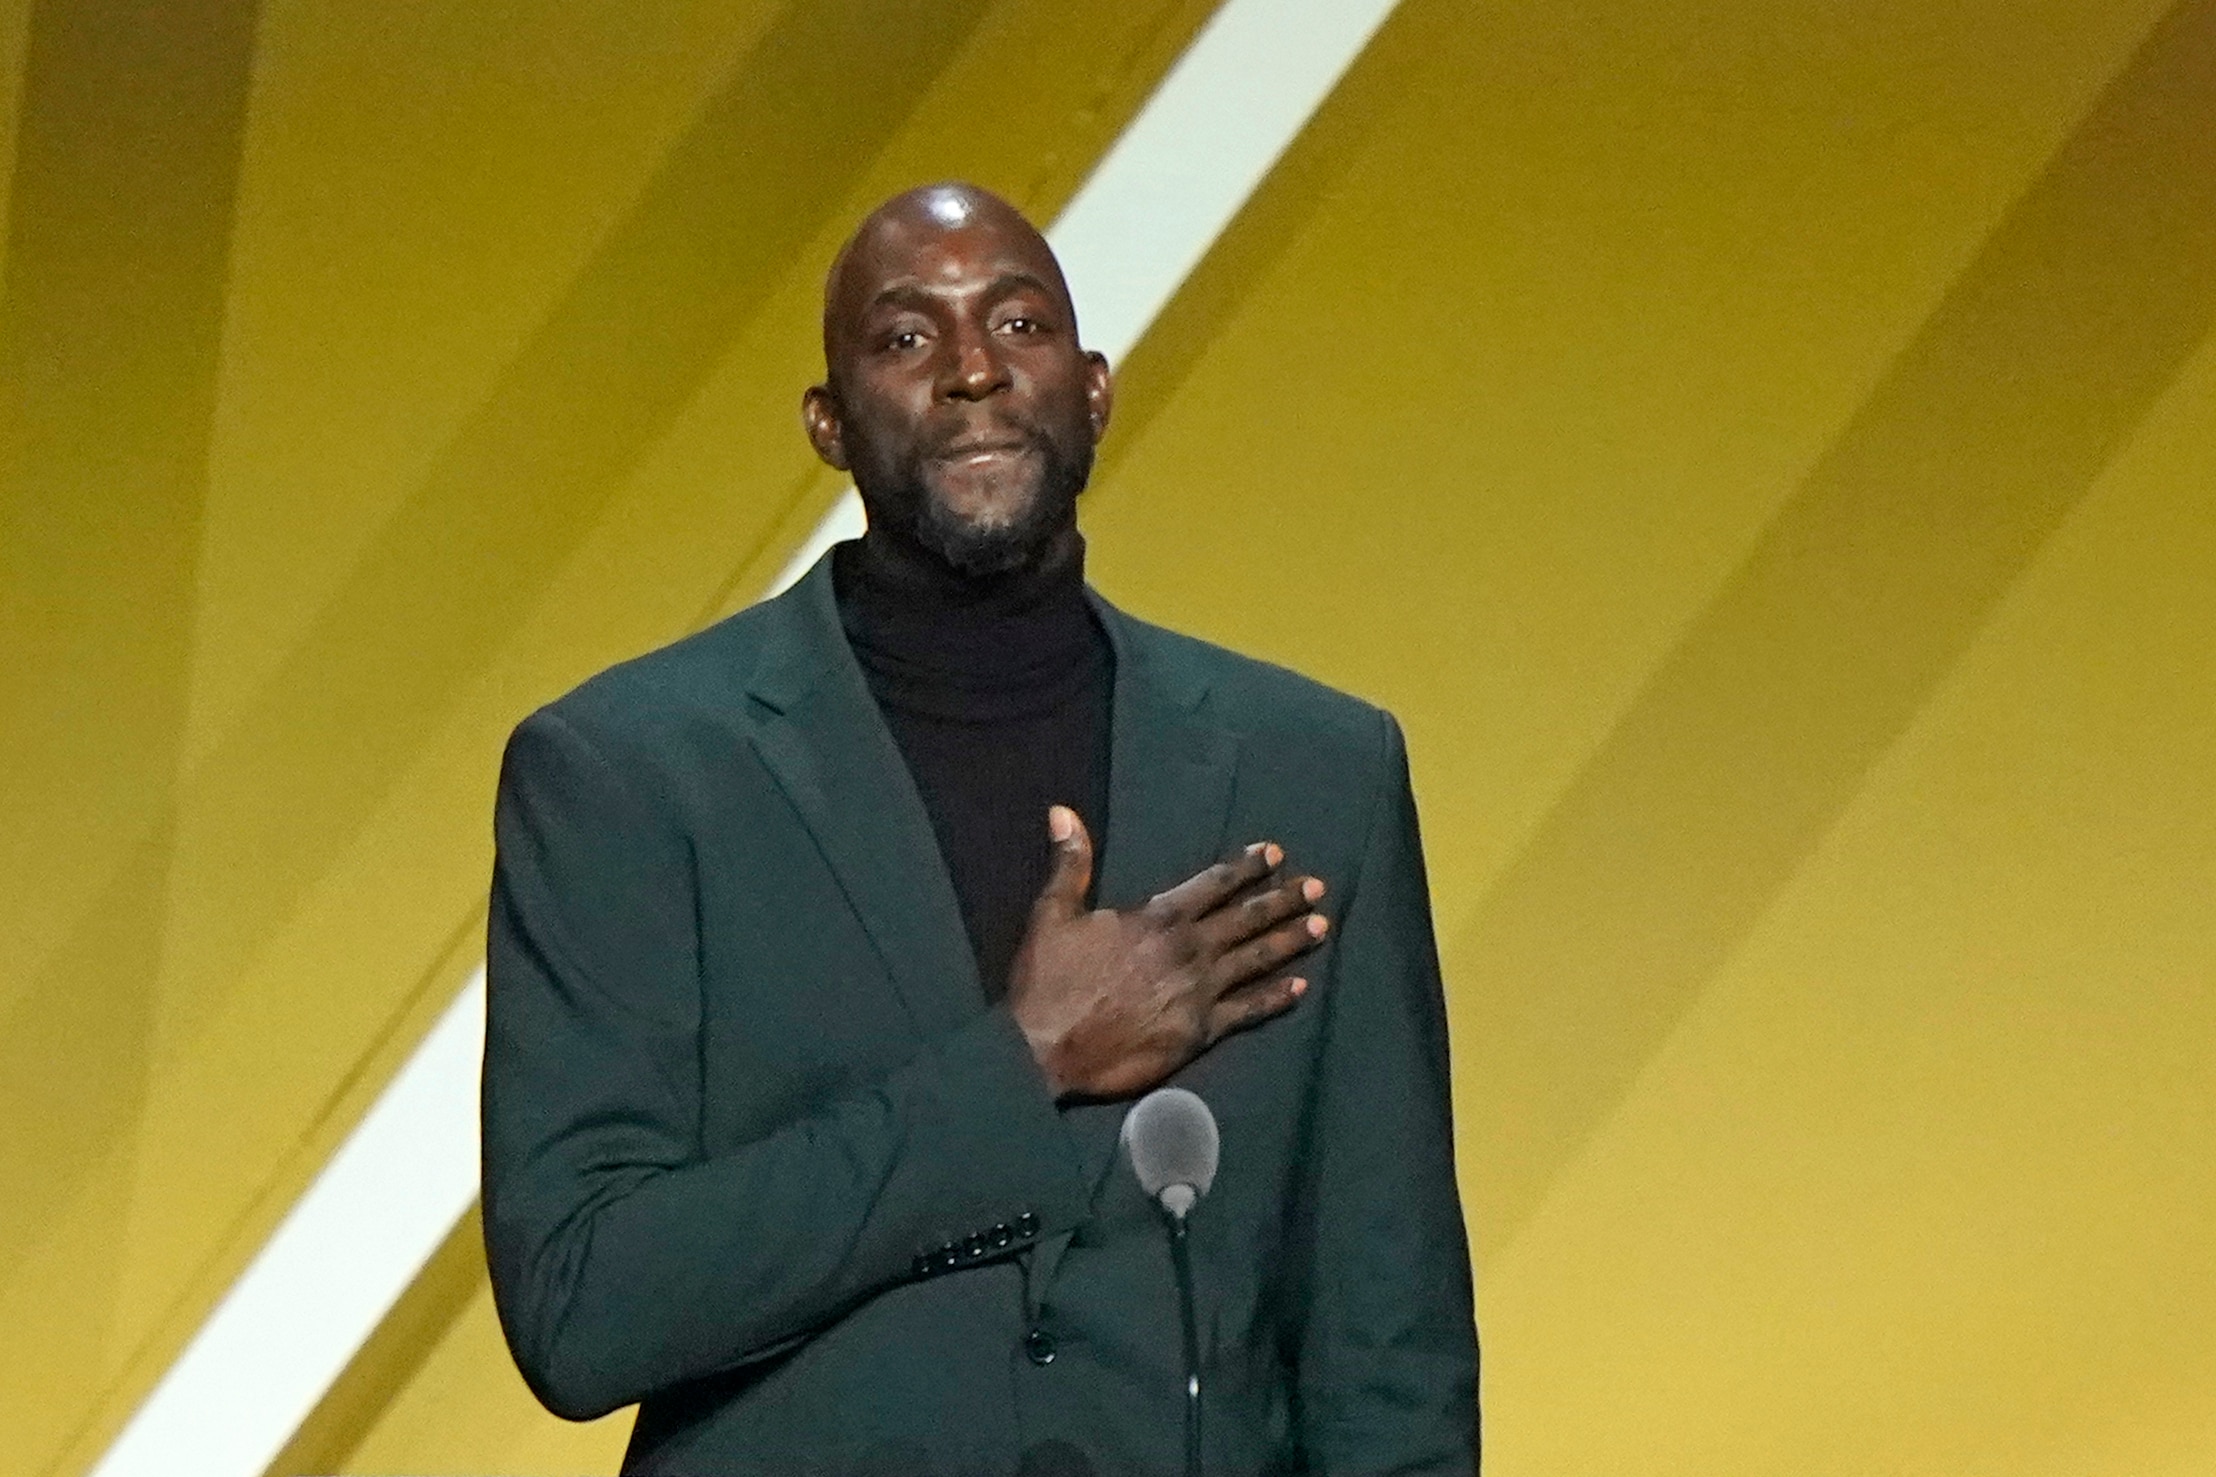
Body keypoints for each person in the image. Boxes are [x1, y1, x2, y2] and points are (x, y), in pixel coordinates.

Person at [482, 182, 1477, 1476]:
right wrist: (1022, 1069)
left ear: (1097, 386)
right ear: (828, 426)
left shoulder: (1315, 771)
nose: (970, 371)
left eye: (1019, 324)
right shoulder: (628, 775)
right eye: (906, 338)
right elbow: (583, 1302)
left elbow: (1387, 1344)